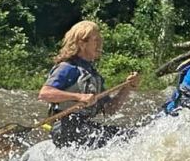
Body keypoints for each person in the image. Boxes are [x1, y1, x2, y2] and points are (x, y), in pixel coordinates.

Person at [37, 20, 140, 148]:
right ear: (82, 43)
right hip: (66, 129)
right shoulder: (67, 68)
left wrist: (127, 87)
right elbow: (45, 93)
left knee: (130, 135)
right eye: (95, 40)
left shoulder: (92, 75)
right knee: (115, 142)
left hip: (83, 126)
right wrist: (79, 97)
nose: (100, 44)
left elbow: (110, 109)